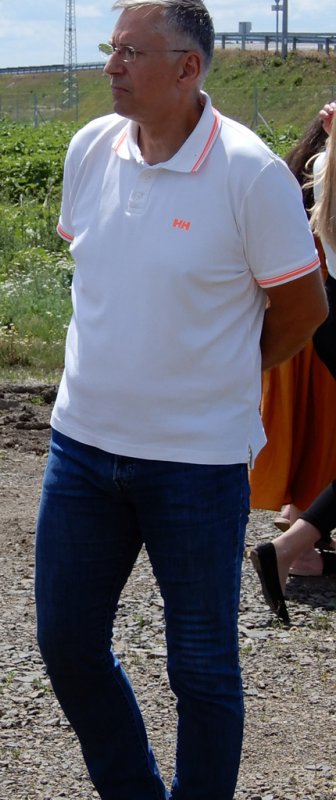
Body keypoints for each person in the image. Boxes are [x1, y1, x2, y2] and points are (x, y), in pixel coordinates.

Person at [34, 2, 328, 799]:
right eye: (112, 49)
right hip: (82, 449)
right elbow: (107, 272)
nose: (111, 66)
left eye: (130, 52)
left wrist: (228, 367)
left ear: (188, 68)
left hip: (196, 463)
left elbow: (302, 309)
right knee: (67, 644)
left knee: (201, 666)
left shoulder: (251, 172)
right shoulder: (91, 148)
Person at [250, 102, 336, 624]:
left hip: (318, 316)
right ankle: (291, 547)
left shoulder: (314, 168)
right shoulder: (323, 171)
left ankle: (292, 541)